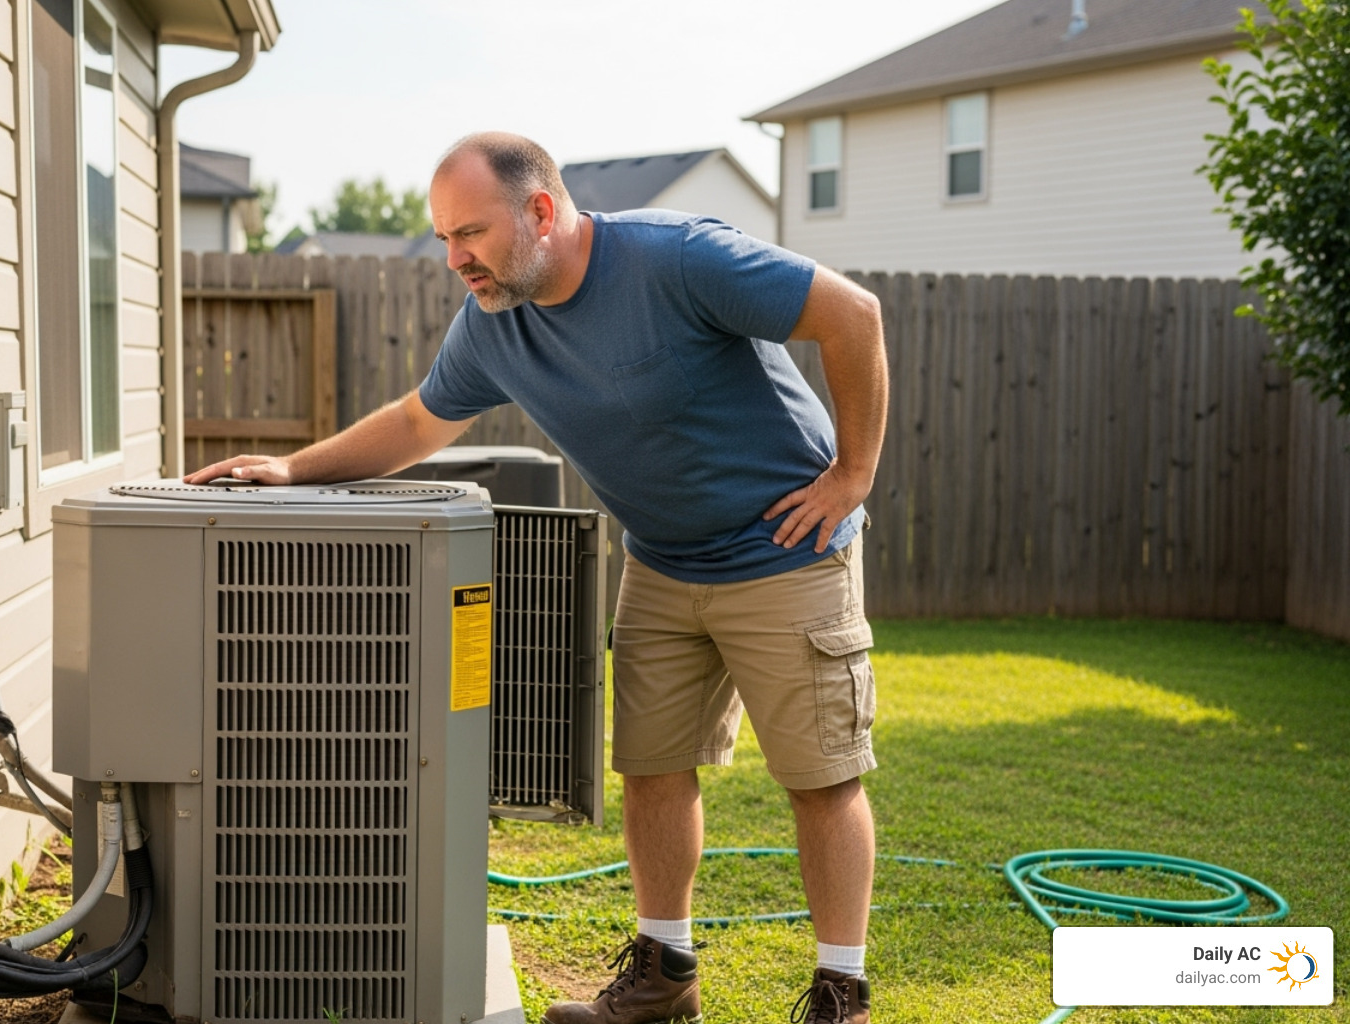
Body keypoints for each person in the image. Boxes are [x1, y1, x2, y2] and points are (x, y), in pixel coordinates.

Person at [186, 132, 888, 1024]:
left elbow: (853, 315)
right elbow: (416, 421)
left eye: (470, 233)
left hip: (785, 549)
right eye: (444, 238)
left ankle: (841, 996)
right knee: (652, 768)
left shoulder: (677, 259)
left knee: (821, 777)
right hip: (662, 561)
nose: (455, 259)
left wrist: (852, 474)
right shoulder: (492, 323)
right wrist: (293, 469)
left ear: (541, 212)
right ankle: (665, 973)